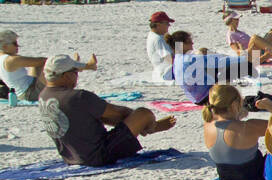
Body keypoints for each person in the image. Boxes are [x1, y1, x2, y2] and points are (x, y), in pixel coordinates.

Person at [37, 55, 175, 166]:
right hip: (99, 155)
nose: (77, 76)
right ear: (66, 75)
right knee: (143, 113)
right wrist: (143, 124)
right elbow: (118, 113)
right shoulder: (78, 97)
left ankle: (147, 127)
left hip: (70, 157)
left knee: (100, 115)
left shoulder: (43, 96)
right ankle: (151, 127)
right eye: (75, 72)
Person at [167, 30, 257, 103]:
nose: (192, 43)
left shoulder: (177, 59)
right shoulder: (190, 59)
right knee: (244, 66)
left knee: (217, 69)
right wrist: (244, 59)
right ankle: (227, 94)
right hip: (205, 96)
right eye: (190, 41)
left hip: (193, 97)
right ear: (182, 44)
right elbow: (218, 60)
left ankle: (228, 90)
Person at [0, 29, 71, 101]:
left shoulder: (2, 58)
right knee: (49, 64)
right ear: (5, 47)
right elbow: (44, 61)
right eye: (14, 43)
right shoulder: (11, 60)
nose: (17, 46)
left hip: (24, 90)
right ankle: (65, 83)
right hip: (29, 94)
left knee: (35, 64)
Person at [146, 11, 176, 82]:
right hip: (167, 72)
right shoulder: (159, 39)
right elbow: (170, 60)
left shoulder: (155, 35)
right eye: (166, 23)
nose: (169, 25)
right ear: (158, 24)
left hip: (163, 71)